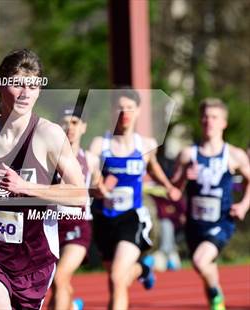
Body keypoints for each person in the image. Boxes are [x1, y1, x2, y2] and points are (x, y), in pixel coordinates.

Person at [0, 49, 87, 310]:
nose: (25, 92)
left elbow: (80, 195)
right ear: (0, 85)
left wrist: (26, 187)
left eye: (33, 85)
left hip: (34, 258)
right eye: (18, 83)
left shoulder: (49, 135)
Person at [89, 88, 182, 310]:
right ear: (113, 111)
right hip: (104, 218)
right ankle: (143, 269)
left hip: (132, 218)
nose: (125, 113)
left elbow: (154, 167)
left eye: (130, 108)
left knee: (117, 277)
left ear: (138, 111)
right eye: (120, 108)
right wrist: (98, 186)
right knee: (115, 280)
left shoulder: (146, 145)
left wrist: (169, 187)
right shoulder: (100, 144)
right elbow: (89, 170)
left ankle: (141, 268)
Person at [171, 98, 250, 310]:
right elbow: (173, 191)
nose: (209, 121)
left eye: (214, 117)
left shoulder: (234, 155)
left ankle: (216, 294)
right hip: (195, 224)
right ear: (200, 120)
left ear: (224, 122)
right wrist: (184, 178)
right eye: (205, 117)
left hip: (221, 221)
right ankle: (216, 298)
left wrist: (243, 205)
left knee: (199, 261)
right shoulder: (188, 154)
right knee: (206, 268)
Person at [49, 105, 99, 310]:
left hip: (78, 227)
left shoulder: (92, 160)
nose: (70, 127)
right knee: (54, 283)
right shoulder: (48, 157)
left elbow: (98, 187)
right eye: (65, 122)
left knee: (60, 278)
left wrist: (105, 189)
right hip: (50, 226)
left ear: (84, 127)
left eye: (75, 122)